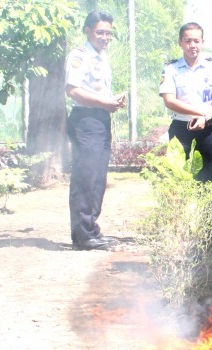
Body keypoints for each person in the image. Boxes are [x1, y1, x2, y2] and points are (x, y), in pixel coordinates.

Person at [65, 11, 125, 251]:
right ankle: (82, 235)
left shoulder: (101, 57)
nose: (105, 37)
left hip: (100, 119)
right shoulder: (79, 56)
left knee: (98, 177)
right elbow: (73, 90)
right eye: (100, 32)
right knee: (85, 177)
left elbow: (97, 91)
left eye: (109, 33)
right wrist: (104, 103)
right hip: (85, 120)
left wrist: (112, 101)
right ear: (87, 31)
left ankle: (91, 230)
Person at [159, 22, 212, 182]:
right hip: (182, 130)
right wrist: (200, 114)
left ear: (202, 42)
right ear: (180, 42)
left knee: (211, 180)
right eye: (188, 41)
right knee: (179, 179)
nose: (192, 45)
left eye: (196, 41)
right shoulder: (171, 69)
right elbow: (169, 101)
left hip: (209, 130)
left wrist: (206, 117)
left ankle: (211, 208)